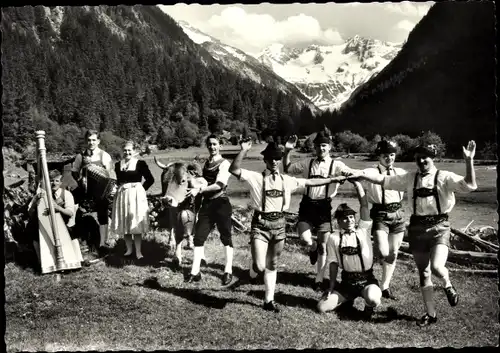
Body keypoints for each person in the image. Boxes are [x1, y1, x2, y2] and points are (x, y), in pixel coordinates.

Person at [347, 141, 477, 326]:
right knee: (424, 273)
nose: (422, 161)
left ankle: (448, 284)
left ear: (433, 158)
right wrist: (360, 174)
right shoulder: (409, 178)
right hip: (417, 228)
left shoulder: (444, 177)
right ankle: (430, 314)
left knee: (437, 268)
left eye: (426, 157)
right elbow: (383, 180)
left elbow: (470, 185)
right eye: (418, 158)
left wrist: (469, 161)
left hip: (439, 226)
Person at [230, 139, 348, 312]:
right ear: (265, 160)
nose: (274, 161)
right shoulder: (256, 177)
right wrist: (243, 151)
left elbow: (310, 183)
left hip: (279, 224)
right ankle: (253, 270)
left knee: (273, 263)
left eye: (277, 158)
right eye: (270, 158)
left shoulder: (287, 180)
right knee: (260, 265)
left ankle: (268, 301)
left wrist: (334, 179)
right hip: (261, 223)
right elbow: (233, 169)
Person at [283, 130, 355, 291]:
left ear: (329, 147)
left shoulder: (337, 164)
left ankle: (318, 279)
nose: (321, 149)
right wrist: (288, 150)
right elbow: (287, 168)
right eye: (318, 146)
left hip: (324, 207)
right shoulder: (307, 162)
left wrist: (347, 174)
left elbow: (350, 173)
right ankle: (312, 247)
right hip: (307, 205)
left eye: (324, 146)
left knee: (324, 245)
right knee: (304, 239)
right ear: (314, 148)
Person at [316, 180, 381, 319]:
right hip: (347, 283)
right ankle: (347, 300)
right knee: (321, 307)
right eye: (345, 218)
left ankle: (368, 308)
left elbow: (364, 205)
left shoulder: (364, 230)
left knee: (373, 299)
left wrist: (357, 184)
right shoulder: (334, 238)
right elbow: (333, 264)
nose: (349, 221)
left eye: (351, 217)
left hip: (367, 280)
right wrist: (332, 287)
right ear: (338, 222)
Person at [185, 134, 234, 286]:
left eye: (215, 144)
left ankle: (228, 270)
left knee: (225, 236)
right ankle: (195, 271)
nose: (212, 147)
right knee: (199, 237)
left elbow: (219, 185)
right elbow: (205, 181)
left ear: (220, 146)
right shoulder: (207, 163)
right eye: (210, 144)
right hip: (207, 205)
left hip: (221, 203)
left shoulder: (225, 164)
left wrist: (199, 190)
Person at [362, 140, 407, 300]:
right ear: (379, 156)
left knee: (393, 252)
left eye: (392, 155)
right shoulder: (370, 171)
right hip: (380, 212)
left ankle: (385, 286)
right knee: (383, 251)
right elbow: (356, 177)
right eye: (385, 155)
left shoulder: (401, 172)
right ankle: (367, 273)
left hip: (398, 212)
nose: (389, 158)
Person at [110, 141, 154, 260]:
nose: (127, 152)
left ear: (134, 151)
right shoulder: (118, 165)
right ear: (122, 151)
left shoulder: (140, 164)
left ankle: (138, 252)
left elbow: (150, 179)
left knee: (135, 221)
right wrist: (117, 189)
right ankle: (129, 250)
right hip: (123, 195)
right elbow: (118, 181)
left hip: (136, 196)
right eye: (125, 150)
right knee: (125, 221)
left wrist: (141, 190)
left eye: (129, 150)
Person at [71, 129, 114, 251]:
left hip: (101, 189)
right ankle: (77, 240)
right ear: (86, 141)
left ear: (98, 141)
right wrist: (80, 181)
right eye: (89, 140)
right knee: (73, 205)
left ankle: (103, 243)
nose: (91, 142)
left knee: (102, 213)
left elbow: (110, 173)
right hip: (86, 188)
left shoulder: (104, 155)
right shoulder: (80, 155)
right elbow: (74, 171)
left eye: (94, 140)